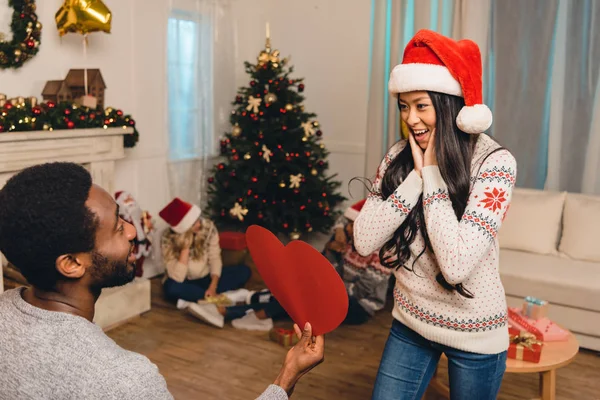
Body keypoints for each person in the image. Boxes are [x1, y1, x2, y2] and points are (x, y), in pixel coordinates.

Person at [0, 162, 324, 399]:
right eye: (116, 227)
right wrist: (287, 376)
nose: (131, 231)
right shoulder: (124, 380)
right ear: (71, 263)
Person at [353, 29, 517, 399]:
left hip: (476, 332)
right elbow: (364, 240)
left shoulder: (495, 164)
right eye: (403, 105)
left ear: (449, 104)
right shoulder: (399, 157)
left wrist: (431, 177)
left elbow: (456, 265)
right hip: (410, 321)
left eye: (421, 105)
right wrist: (415, 176)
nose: (411, 118)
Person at [159, 197, 252, 324]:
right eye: (193, 223)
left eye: (197, 219)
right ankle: (213, 299)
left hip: (207, 279)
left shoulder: (208, 228)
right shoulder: (167, 239)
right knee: (171, 288)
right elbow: (178, 277)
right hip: (184, 282)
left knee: (243, 271)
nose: (199, 224)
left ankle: (198, 299)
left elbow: (215, 258)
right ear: (183, 228)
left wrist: (213, 285)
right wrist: (185, 247)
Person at [323, 199, 392, 325]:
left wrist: (332, 291)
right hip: (342, 293)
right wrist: (330, 249)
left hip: (362, 305)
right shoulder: (351, 244)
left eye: (350, 224)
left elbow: (361, 290)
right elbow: (337, 271)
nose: (347, 228)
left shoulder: (382, 255)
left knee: (318, 305)